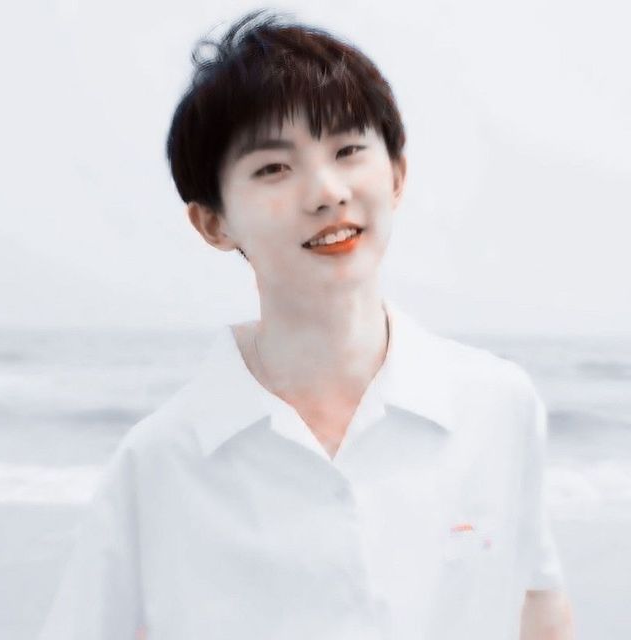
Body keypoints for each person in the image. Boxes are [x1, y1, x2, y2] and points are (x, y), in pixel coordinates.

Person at [38, 9, 574, 639]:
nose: (326, 192)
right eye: (273, 168)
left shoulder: (497, 405)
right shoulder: (157, 464)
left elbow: (537, 608)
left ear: (396, 176)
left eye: (348, 151)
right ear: (214, 223)